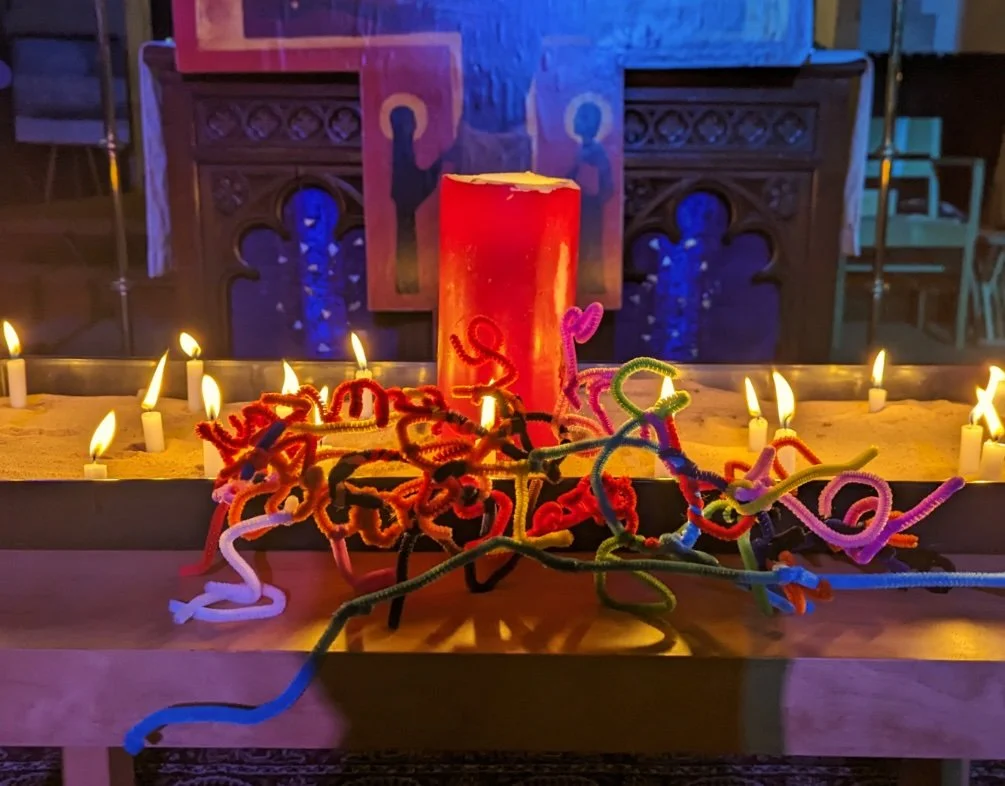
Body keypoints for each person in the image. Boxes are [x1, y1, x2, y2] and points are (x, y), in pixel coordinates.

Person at [389, 105, 442, 294]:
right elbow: (411, 179)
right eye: (409, 123)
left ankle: (407, 285)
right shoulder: (401, 146)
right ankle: (406, 285)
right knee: (406, 239)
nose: (411, 127)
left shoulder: (404, 145)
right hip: (403, 201)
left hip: (404, 200)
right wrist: (438, 166)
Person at [567, 101, 613, 293]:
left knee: (589, 247)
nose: (575, 120)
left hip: (589, 208)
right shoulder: (581, 150)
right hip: (581, 206)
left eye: (580, 116)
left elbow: (605, 183)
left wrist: (591, 193)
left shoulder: (596, 152)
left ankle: (590, 285)